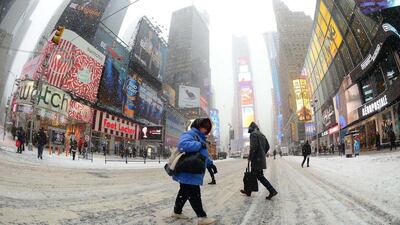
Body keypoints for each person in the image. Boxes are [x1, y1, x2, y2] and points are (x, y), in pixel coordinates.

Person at [171, 118, 216, 225]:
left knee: (184, 192)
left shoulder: (200, 137)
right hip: (189, 169)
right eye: (203, 127)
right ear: (197, 125)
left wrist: (210, 163)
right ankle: (202, 217)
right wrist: (199, 144)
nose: (205, 130)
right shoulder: (190, 134)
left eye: (207, 128)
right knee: (194, 193)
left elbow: (202, 154)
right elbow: (183, 145)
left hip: (192, 169)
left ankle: (177, 212)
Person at [240, 122, 277, 200]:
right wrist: (262, 153)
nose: (250, 133)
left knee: (259, 176)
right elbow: (268, 146)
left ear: (251, 129)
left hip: (256, 159)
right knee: (254, 175)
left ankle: (272, 190)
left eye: (250, 131)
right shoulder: (262, 135)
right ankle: (248, 191)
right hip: (260, 159)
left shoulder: (253, 134)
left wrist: (250, 157)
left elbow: (254, 147)